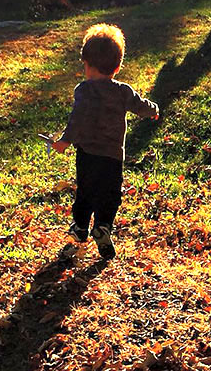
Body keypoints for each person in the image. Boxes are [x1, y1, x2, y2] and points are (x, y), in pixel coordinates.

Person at [52, 24, 159, 259]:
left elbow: (76, 119)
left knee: (86, 192)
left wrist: (64, 141)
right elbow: (141, 106)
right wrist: (154, 110)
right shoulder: (123, 91)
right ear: (118, 67)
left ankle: (80, 227)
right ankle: (103, 226)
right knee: (110, 194)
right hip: (112, 156)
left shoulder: (83, 91)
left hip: (87, 154)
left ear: (87, 65)